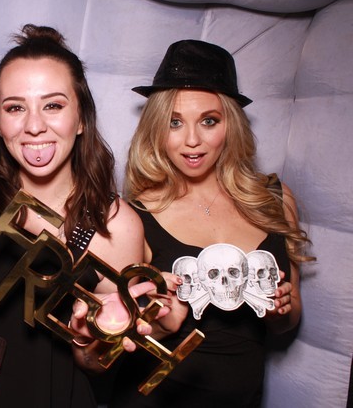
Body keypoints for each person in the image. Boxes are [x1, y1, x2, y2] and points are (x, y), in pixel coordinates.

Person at [0, 24, 161, 408]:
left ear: (81, 119)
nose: (33, 126)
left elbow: (96, 364)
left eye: (53, 105)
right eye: (15, 107)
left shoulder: (114, 224)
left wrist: (90, 338)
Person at [110, 39, 314, 407]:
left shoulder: (274, 198)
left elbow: (288, 321)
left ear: (230, 124)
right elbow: (122, 335)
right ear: (156, 129)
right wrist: (161, 321)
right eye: (174, 122)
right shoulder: (135, 214)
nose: (192, 140)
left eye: (208, 121)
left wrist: (280, 309)